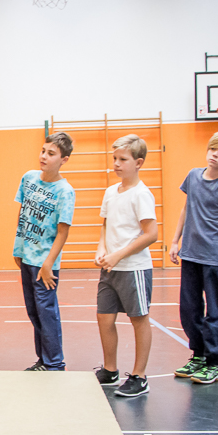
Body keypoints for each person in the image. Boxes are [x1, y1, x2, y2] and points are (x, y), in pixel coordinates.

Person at [169, 131, 218, 384]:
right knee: (189, 309)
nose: (215, 154)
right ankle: (198, 355)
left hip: (212, 257)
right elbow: (186, 208)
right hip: (190, 254)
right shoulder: (192, 176)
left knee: (214, 311)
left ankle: (213, 363)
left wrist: (211, 232)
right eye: (214, 148)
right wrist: (175, 241)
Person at [93, 134, 159, 397]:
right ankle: (110, 370)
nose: (117, 164)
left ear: (138, 162)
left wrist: (118, 254)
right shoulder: (111, 191)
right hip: (110, 268)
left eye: (123, 159)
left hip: (134, 269)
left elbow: (151, 234)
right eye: (115, 159)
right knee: (104, 318)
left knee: (138, 320)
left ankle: (140, 376)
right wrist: (102, 249)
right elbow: (105, 225)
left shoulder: (142, 195)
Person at [13, 132, 75, 372]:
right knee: (33, 311)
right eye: (43, 151)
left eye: (51, 154)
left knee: (46, 312)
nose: (44, 157)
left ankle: (55, 363)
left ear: (64, 159)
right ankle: (43, 360)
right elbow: (23, 216)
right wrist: (17, 248)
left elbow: (62, 232)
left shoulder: (65, 191)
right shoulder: (28, 178)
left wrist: (49, 263)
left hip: (45, 263)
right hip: (27, 257)